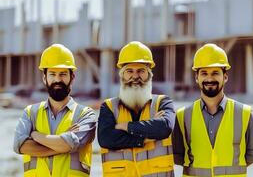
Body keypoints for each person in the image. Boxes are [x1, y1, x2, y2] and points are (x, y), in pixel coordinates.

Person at [172, 43, 253, 177]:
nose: (209, 78)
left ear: (225, 77)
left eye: (215, 73)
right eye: (204, 73)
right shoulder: (182, 116)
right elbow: (178, 157)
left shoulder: (245, 114)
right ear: (196, 78)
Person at [13, 44, 96, 177]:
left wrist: (36, 136)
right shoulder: (30, 113)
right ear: (44, 78)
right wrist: (62, 144)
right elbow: (19, 146)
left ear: (72, 77)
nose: (57, 79)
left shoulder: (85, 115)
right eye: (52, 74)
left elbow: (69, 144)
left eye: (63, 74)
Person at [98, 41, 175, 176]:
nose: (135, 76)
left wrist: (126, 126)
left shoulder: (163, 102)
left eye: (141, 71)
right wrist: (144, 138)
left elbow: (163, 128)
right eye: (129, 71)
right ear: (122, 76)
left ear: (150, 75)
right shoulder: (108, 107)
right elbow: (106, 138)